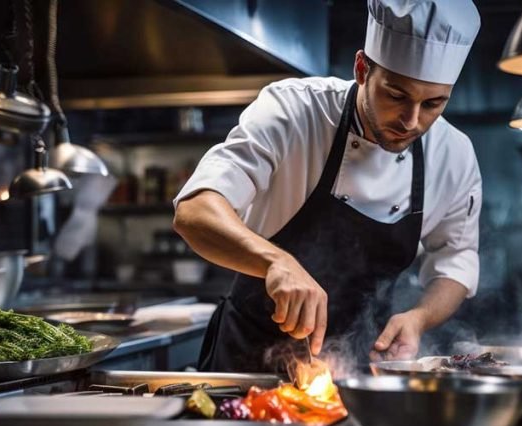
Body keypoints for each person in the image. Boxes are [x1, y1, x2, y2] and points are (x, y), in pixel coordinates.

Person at [173, 0, 482, 372]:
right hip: (246, 362)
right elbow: (194, 211)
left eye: (433, 103)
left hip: (358, 371)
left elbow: (456, 262)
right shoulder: (294, 110)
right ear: (362, 69)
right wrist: (275, 262)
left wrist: (418, 318)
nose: (411, 121)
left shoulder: (454, 155)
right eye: (396, 95)